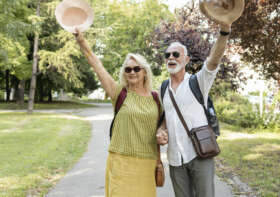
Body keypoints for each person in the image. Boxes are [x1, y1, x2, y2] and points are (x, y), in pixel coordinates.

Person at [74, 30, 160, 197]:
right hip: (121, 162)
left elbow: (163, 124)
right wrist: (81, 41)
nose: (132, 72)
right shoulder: (118, 92)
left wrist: (162, 132)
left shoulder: (156, 98)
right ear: (124, 73)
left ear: (144, 72)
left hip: (147, 163)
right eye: (128, 69)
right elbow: (96, 65)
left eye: (136, 68)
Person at [156, 20, 233, 197]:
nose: (171, 58)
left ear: (187, 59)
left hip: (200, 154)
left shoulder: (197, 82)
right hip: (175, 158)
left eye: (176, 54)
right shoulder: (163, 88)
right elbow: (167, 118)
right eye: (167, 55)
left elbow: (214, 60)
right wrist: (161, 131)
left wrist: (224, 32)